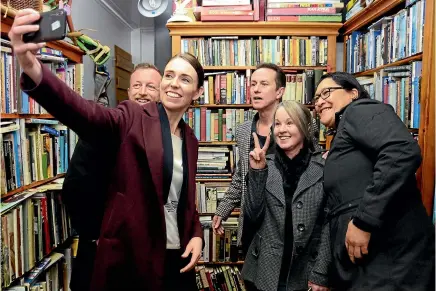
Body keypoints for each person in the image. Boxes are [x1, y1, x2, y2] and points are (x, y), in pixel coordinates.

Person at [10, 9, 204, 291]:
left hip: (176, 258)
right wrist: (30, 65)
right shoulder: (132, 117)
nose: (174, 84)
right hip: (133, 261)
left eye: (184, 79)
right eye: (170, 75)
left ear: (197, 92)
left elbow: (183, 200)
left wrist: (196, 234)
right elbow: (84, 113)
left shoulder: (190, 139)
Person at [314, 72, 435, 290]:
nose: (319, 102)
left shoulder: (360, 110)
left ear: (353, 93)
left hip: (389, 260)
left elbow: (401, 151)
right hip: (370, 263)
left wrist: (363, 221)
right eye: (316, 98)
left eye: (326, 92)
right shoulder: (344, 130)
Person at [63, 63, 162, 291]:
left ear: (161, 94)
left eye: (151, 87)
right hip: (100, 249)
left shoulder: (166, 134)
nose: (142, 92)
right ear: (128, 93)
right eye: (137, 85)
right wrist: (97, 235)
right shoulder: (105, 127)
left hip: (144, 254)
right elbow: (75, 187)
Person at [212, 63, 320, 253]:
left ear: (279, 91)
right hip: (254, 222)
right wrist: (224, 209)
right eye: (253, 84)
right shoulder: (245, 130)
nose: (256, 89)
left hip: (290, 223)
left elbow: (316, 168)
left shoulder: (298, 126)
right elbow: (241, 177)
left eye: (263, 84)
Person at [242, 100, 329, 291]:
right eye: (278, 124)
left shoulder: (324, 168)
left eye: (290, 123)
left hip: (305, 271)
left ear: (305, 127)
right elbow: (252, 216)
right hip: (264, 271)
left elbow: (328, 226)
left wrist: (321, 273)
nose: (282, 129)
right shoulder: (265, 164)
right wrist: (257, 172)